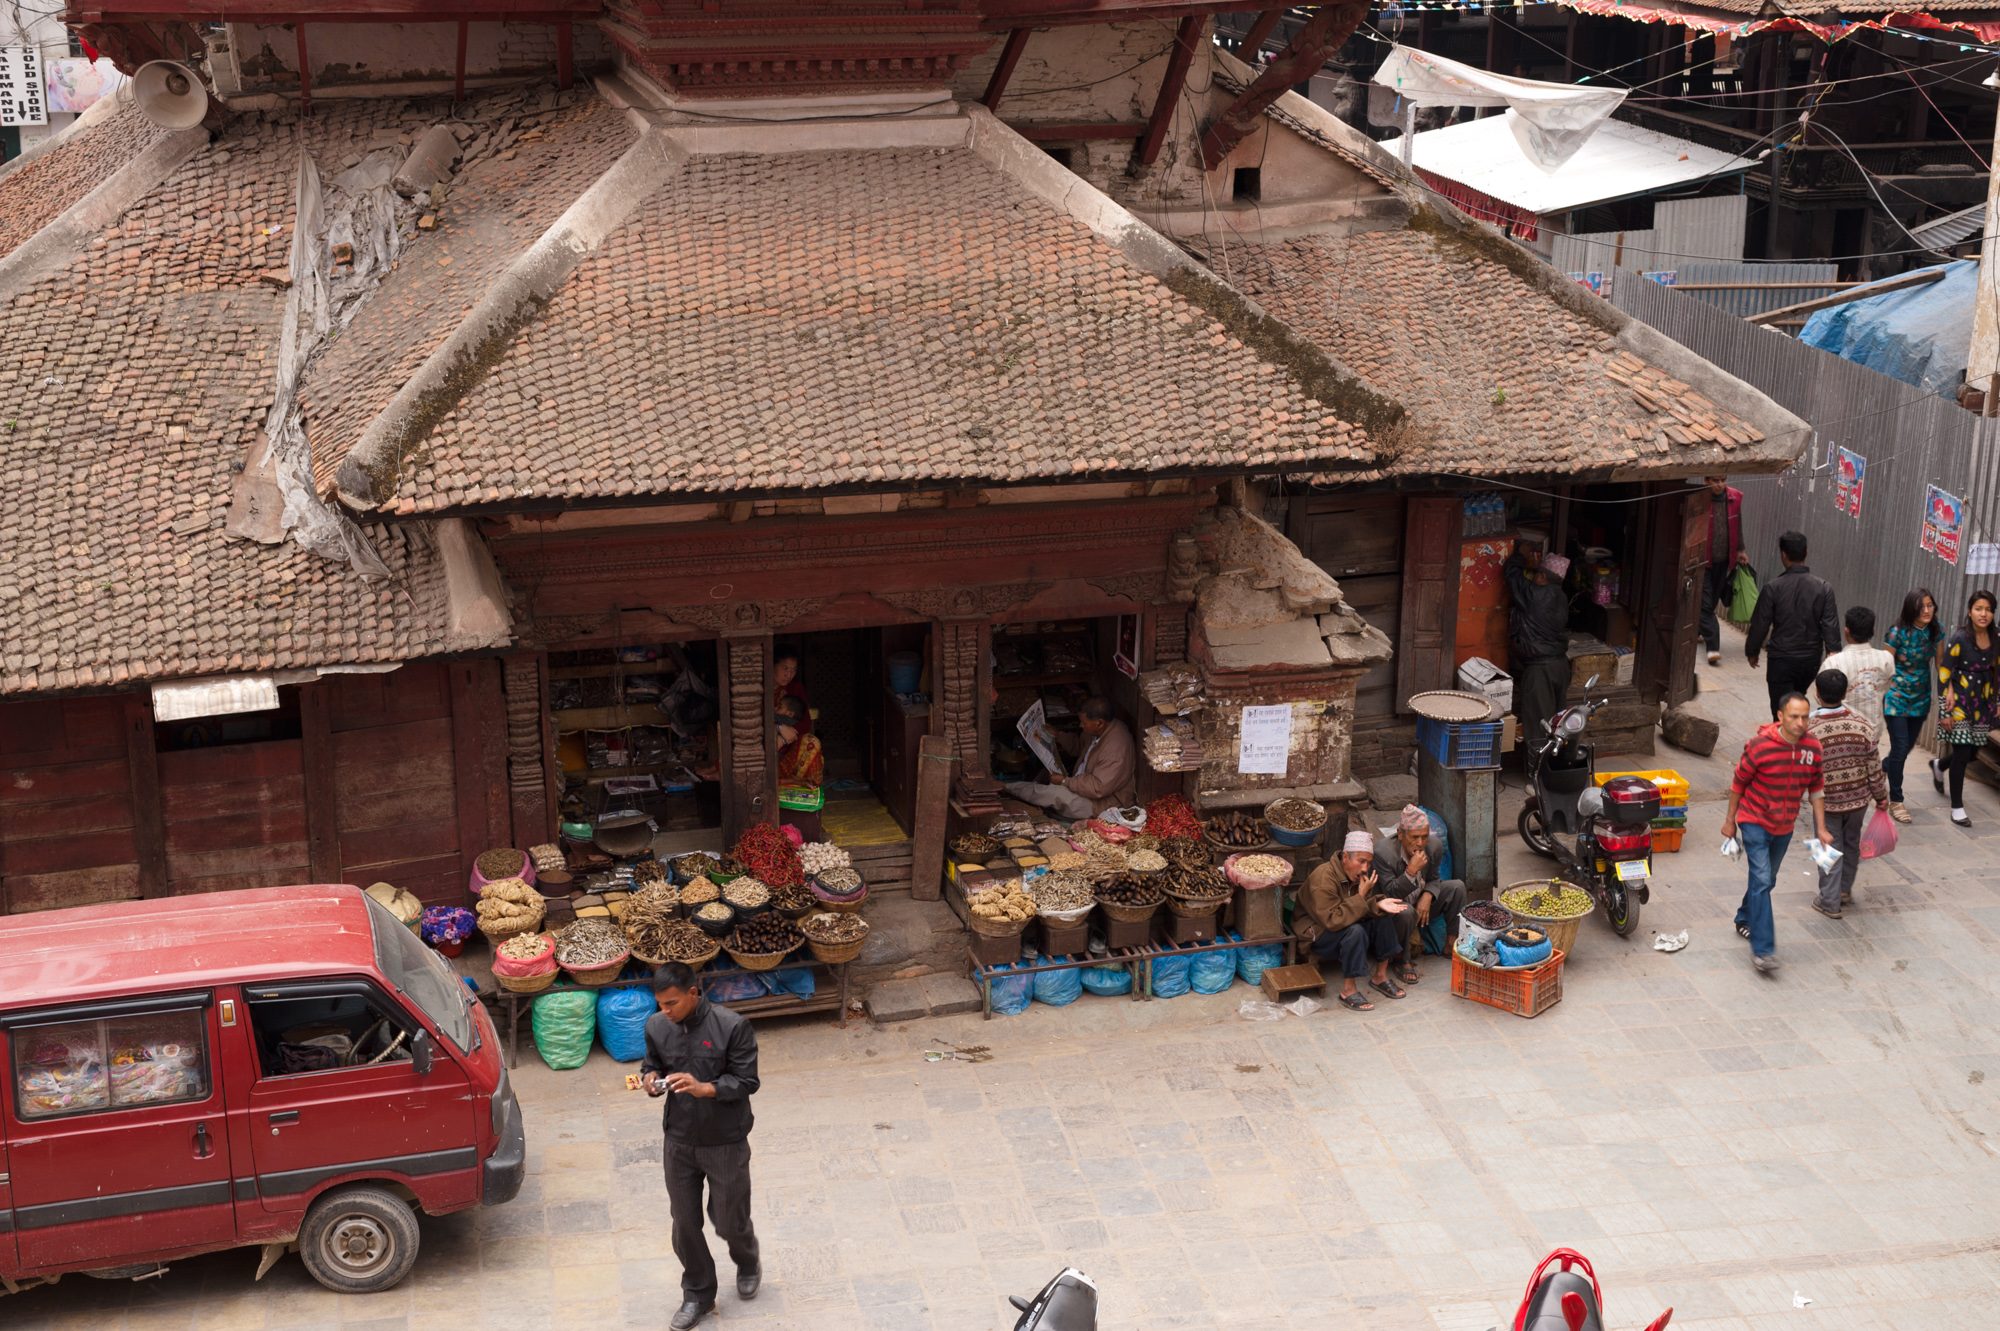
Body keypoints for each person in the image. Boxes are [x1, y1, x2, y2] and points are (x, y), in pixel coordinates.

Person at [640, 963, 763, 1330]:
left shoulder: (732, 1027)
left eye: (672, 1003)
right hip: (678, 1139)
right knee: (684, 1222)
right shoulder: (656, 1027)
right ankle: (698, 1294)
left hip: (725, 1140)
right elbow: (652, 1064)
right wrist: (650, 1078)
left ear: (693, 993)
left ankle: (747, 1259)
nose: (666, 1011)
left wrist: (705, 1087)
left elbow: (746, 1082)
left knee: (728, 1219)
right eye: (660, 1004)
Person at [1720, 693, 1829, 974]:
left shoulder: (1813, 748)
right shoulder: (1759, 746)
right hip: (1754, 820)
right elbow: (1738, 783)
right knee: (1761, 879)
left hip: (1785, 825)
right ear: (1780, 716)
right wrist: (1730, 821)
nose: (1800, 722)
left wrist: (1821, 829)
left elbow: (1816, 789)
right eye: (1794, 716)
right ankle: (1763, 950)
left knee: (1767, 880)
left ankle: (1744, 917)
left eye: (1805, 716)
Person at [1294, 831, 1412, 1011]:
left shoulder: (1357, 874)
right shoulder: (1323, 878)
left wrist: (1378, 903)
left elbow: (1362, 907)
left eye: (1368, 862)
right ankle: (1348, 990)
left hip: (1343, 921)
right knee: (1354, 930)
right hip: (1316, 933)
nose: (1365, 868)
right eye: (1361, 861)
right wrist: (1362, 895)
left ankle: (1380, 976)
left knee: (1382, 915)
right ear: (1345, 858)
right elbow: (1332, 920)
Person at [1806, 669, 1887, 920]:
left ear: (1817, 695)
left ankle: (1829, 900)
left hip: (1825, 802)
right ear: (1845, 693)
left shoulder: (1810, 728)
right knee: (1851, 845)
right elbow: (1874, 766)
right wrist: (1881, 796)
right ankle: (1843, 891)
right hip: (1858, 800)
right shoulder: (1863, 724)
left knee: (1826, 846)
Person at [1745, 530, 1839, 716]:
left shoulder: (1772, 588)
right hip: (1810, 661)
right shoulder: (1823, 588)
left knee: (1781, 710)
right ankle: (1795, 738)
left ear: (1783, 555)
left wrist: (1752, 651)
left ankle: (1783, 741)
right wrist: (1833, 654)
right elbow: (1830, 624)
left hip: (1781, 660)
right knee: (1797, 700)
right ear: (1805, 553)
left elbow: (1760, 624)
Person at [1371, 806, 1468, 983]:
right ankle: (1402, 959)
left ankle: (1450, 944)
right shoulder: (1383, 853)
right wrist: (1411, 871)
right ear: (1400, 834)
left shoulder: (1433, 846)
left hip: (1419, 902)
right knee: (1406, 910)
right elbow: (1390, 893)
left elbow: (1434, 878)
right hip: (1393, 911)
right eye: (1414, 837)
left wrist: (1428, 894)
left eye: (1424, 836)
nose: (1420, 843)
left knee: (1457, 887)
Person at [1001, 697, 1136, 820]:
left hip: (1101, 804)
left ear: (1099, 723)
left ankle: (1004, 787)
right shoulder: (1099, 729)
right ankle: (1018, 793)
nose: (1080, 726)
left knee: (1053, 793)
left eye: (1084, 723)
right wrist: (1058, 735)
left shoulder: (1115, 748)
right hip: (1083, 784)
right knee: (1043, 776)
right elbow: (1079, 747)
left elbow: (1097, 788)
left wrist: (1066, 781)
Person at [1935, 589, 2000, 828]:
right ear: (1970, 611)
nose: (1984, 614)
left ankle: (1939, 765)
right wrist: (1945, 710)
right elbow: (1944, 673)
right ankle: (1957, 807)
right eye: (1979, 609)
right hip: (1959, 701)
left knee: (1973, 752)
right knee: (1962, 754)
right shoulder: (1960, 638)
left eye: (1988, 609)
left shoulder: (1996, 638)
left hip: (1983, 703)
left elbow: (1998, 672)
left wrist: (1998, 702)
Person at [1503, 543, 1572, 771]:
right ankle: (1555, 769)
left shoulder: (1534, 595)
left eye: (1536, 575)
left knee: (1537, 724)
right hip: (1560, 666)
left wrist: (1519, 557)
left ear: (1543, 576)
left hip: (1540, 669)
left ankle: (1539, 777)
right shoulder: (1561, 597)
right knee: (1557, 724)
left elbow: (1512, 575)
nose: (1532, 579)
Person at [1883, 588, 1943, 824]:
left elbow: (1940, 665)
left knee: (1905, 748)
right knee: (1900, 747)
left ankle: (1883, 767)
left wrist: (1949, 690)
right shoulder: (1897, 633)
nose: (1927, 610)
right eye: (1922, 607)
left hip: (1921, 698)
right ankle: (1896, 800)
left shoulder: (1936, 631)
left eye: (1930, 605)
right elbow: (1885, 667)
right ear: (1911, 609)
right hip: (1896, 698)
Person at [1819, 606, 1895, 744]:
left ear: (1846, 631)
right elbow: (1888, 687)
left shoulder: (1833, 662)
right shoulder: (1886, 659)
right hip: (1873, 732)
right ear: (1872, 631)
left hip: (1840, 732)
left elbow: (1821, 697)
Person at [1699, 476, 1748, 667]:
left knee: (1711, 601)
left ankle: (1697, 631)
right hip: (1703, 561)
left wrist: (1741, 550)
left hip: (1724, 560)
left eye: (1722, 480)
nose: (1719, 484)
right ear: (1706, 481)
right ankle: (1713, 648)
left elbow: (1739, 526)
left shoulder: (1734, 498)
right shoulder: (1700, 500)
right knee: (1704, 604)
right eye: (1715, 480)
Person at [774, 694, 825, 840]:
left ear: (789, 713)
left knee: (810, 742)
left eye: (779, 707)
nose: (775, 709)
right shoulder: (777, 722)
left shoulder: (788, 724)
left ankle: (799, 782)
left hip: (783, 769)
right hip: (770, 770)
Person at [772, 651, 811, 734]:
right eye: (785, 668)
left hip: (789, 739)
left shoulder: (795, 688)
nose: (789, 675)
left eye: (794, 670)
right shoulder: (758, 686)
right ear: (772, 666)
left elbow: (806, 724)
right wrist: (779, 727)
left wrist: (783, 739)